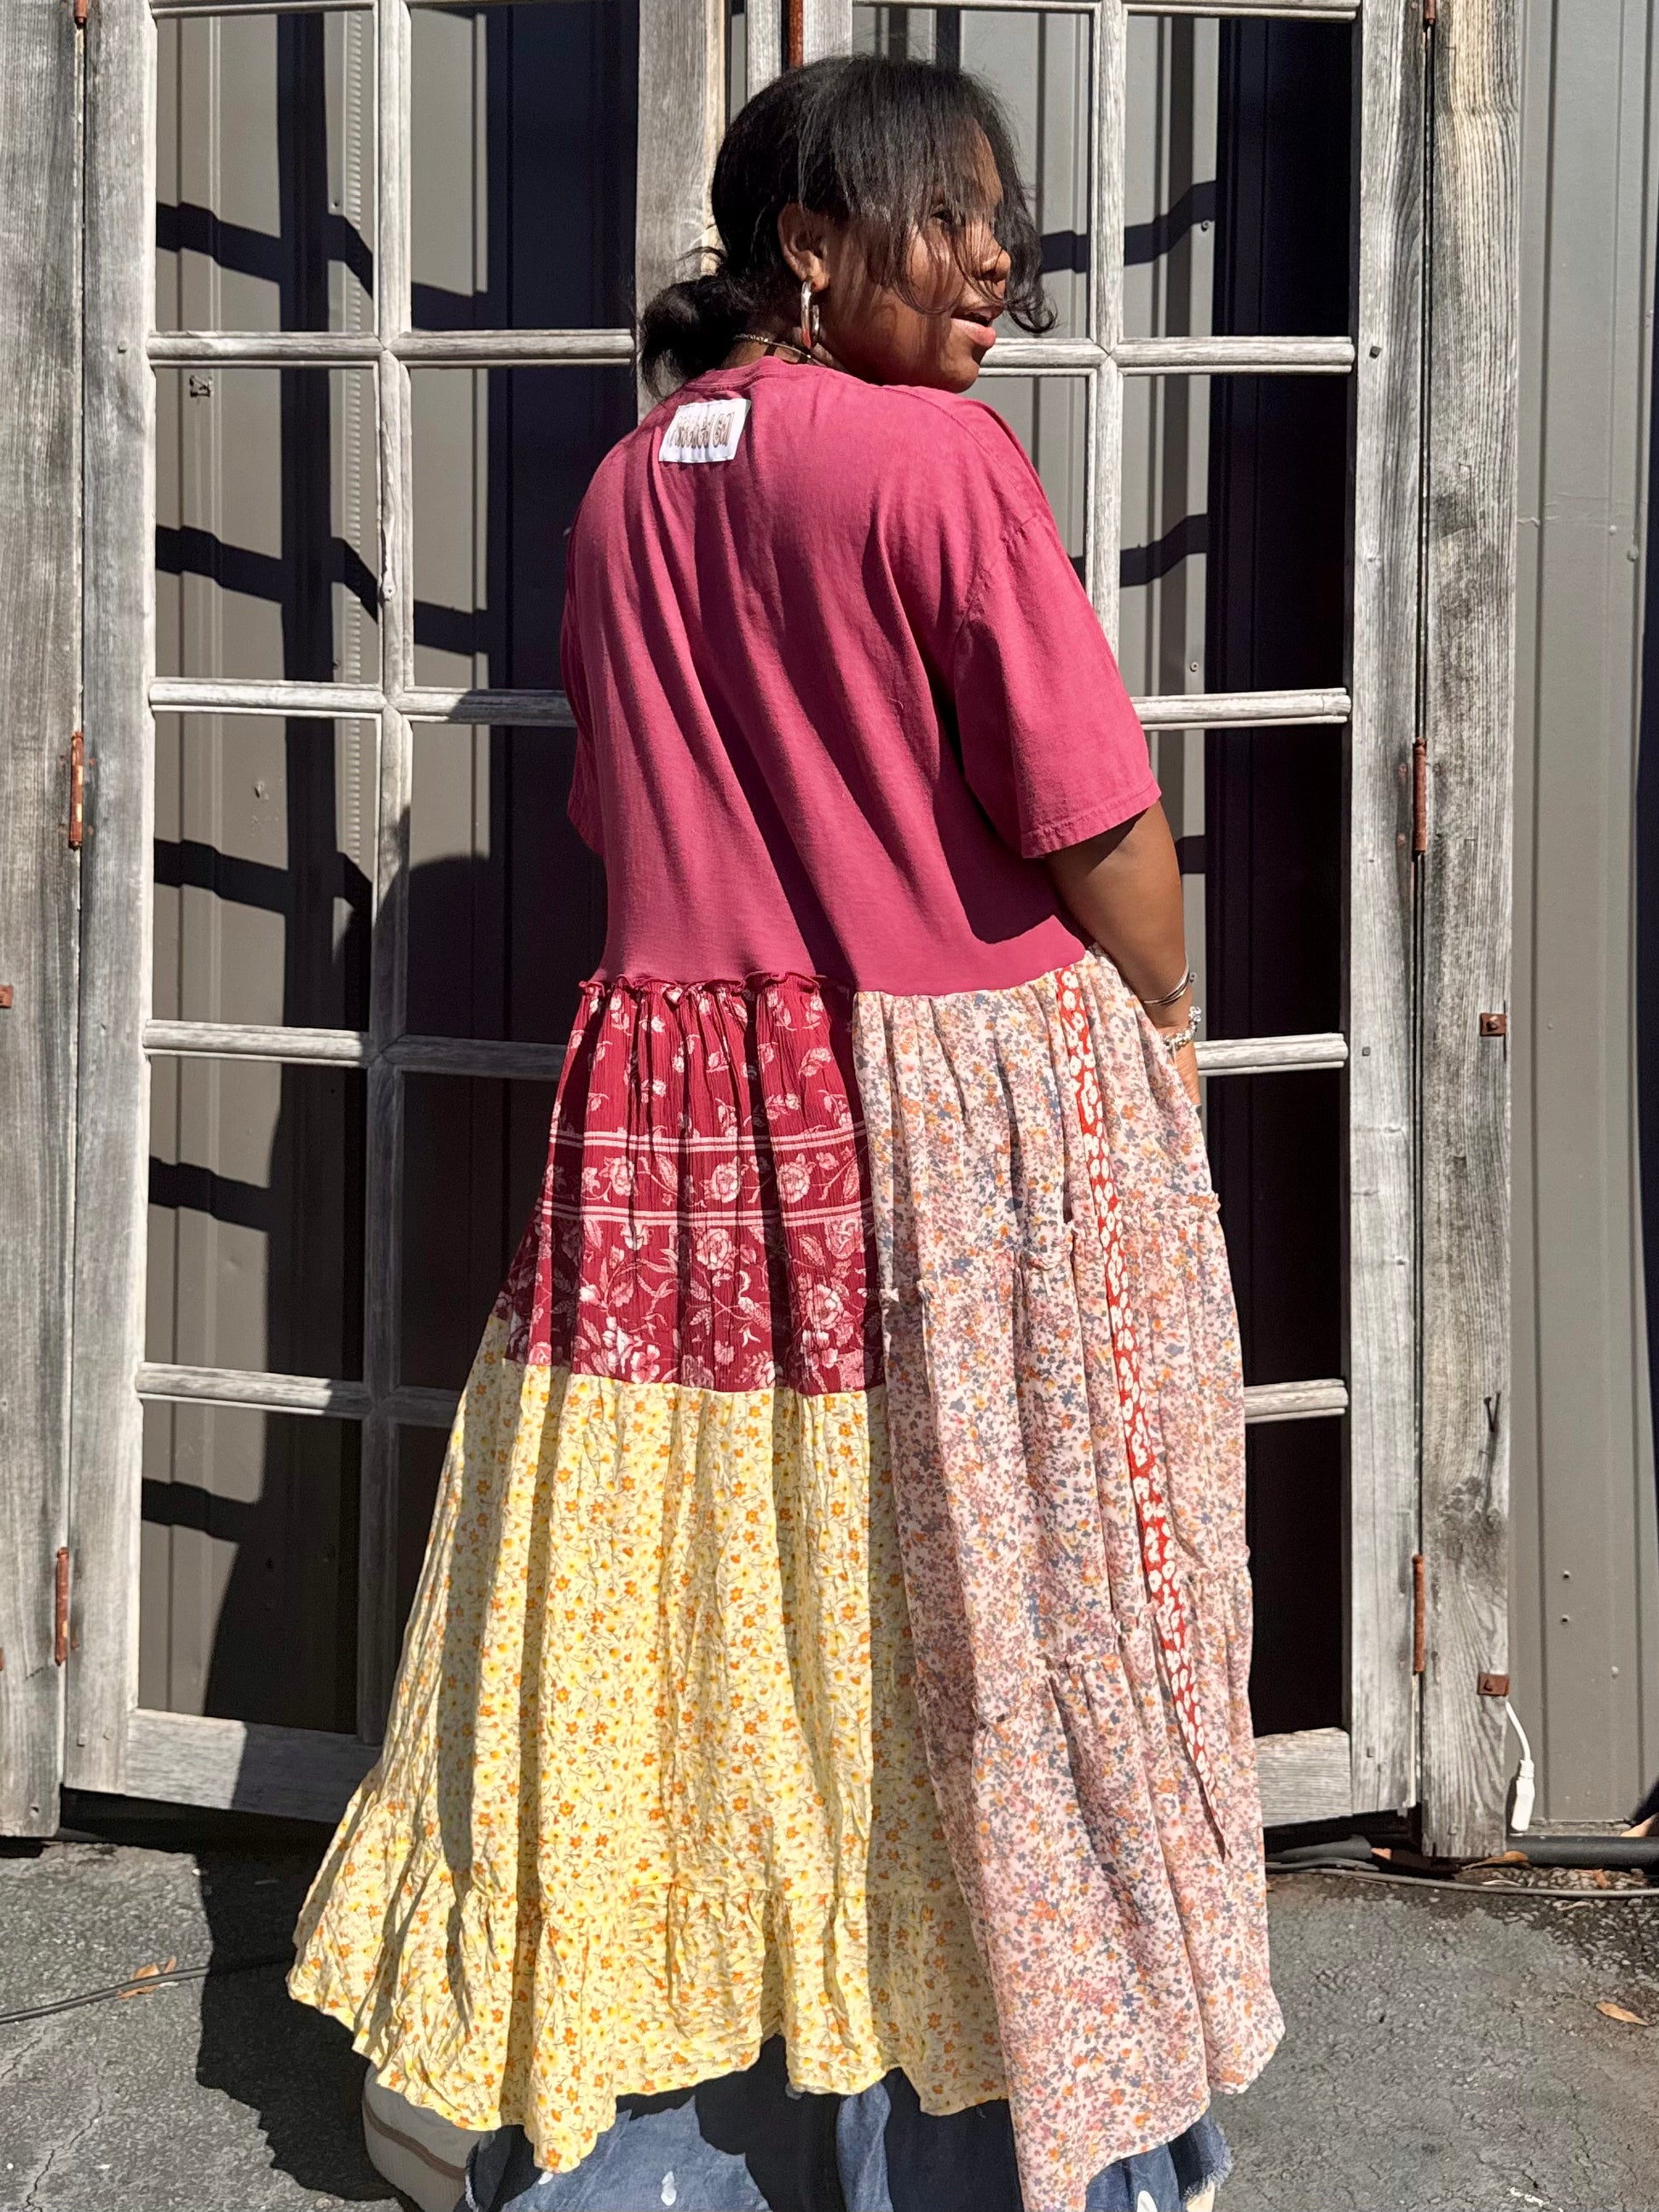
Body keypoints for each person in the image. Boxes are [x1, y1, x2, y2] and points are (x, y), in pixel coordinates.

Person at [289, 54, 1280, 2212]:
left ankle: (652, 2128)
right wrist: (1167, 1003)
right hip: (947, 1103)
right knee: (1001, 1589)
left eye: (1004, 218)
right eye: (950, 212)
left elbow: (619, 807)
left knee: (705, 1597)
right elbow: (1095, 818)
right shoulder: (936, 458)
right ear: (809, 247)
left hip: (673, 1111)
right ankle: (1013, 2125)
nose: (996, 256)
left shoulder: (628, 486)